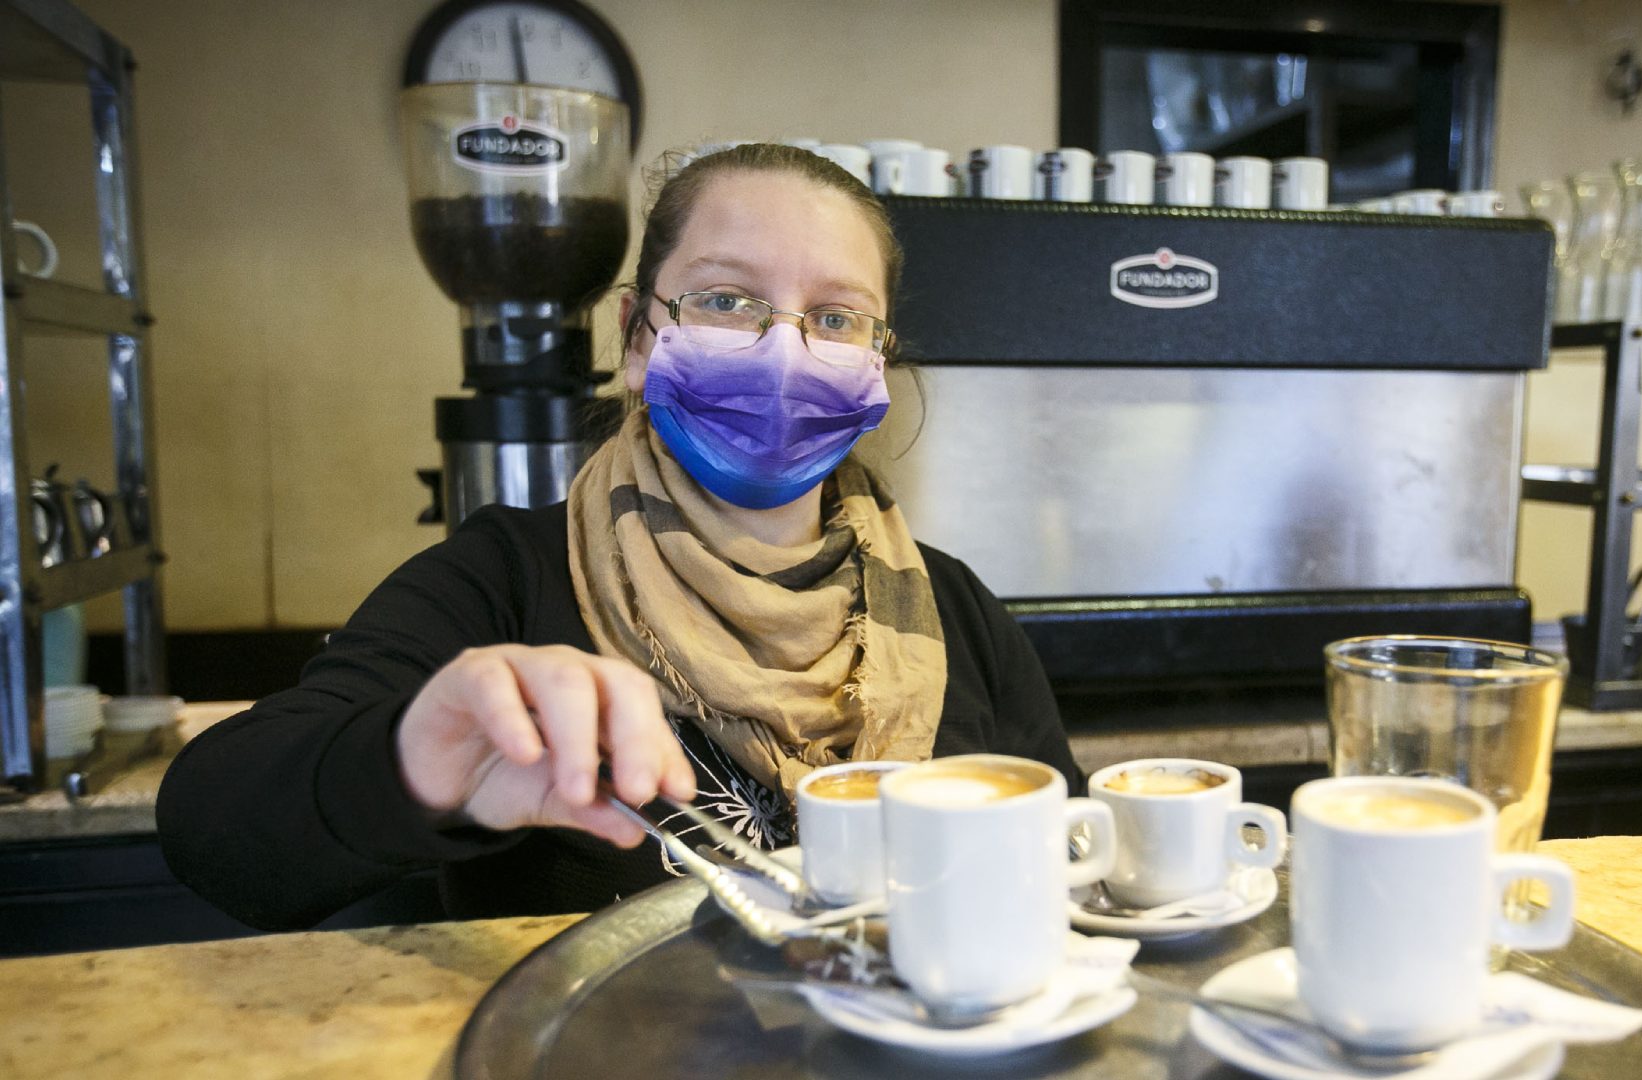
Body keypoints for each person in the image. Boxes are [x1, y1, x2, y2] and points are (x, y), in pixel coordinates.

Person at [157, 144, 1079, 930]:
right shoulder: (507, 582)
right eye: (728, 300)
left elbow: (1068, 874)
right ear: (637, 337)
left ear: (876, 361)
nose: (785, 352)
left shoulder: (952, 606)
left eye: (834, 319)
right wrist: (418, 763)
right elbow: (217, 829)